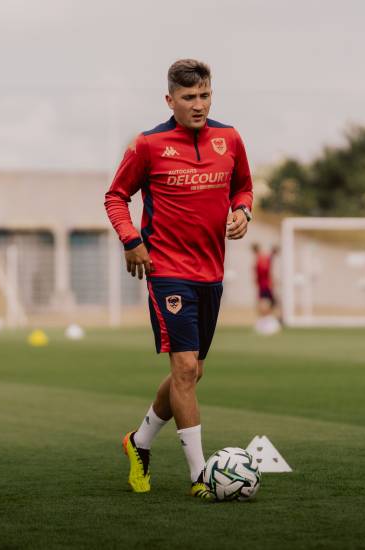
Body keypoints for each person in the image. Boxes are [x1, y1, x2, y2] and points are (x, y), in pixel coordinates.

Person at [104, 59, 253, 500]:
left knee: (193, 372)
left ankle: (140, 441)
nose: (199, 105)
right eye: (189, 98)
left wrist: (243, 209)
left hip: (212, 271)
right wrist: (131, 239)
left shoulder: (230, 139)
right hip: (166, 271)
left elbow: (244, 185)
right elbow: (115, 195)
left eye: (205, 95)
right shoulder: (149, 144)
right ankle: (200, 475)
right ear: (170, 100)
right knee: (185, 368)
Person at [252, 243, 278, 316]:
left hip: (263, 284)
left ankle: (266, 316)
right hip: (265, 284)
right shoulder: (262, 258)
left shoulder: (261, 258)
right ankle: (265, 317)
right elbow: (264, 270)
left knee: (268, 301)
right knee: (266, 302)